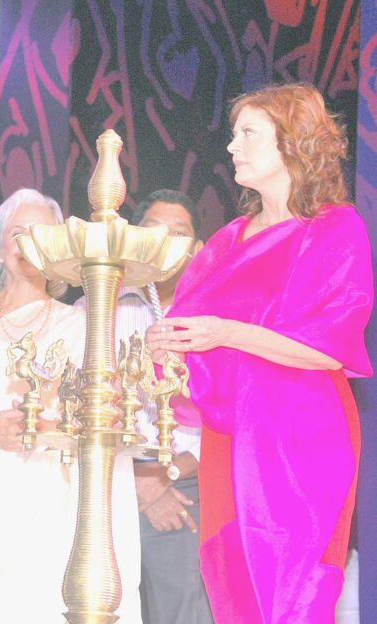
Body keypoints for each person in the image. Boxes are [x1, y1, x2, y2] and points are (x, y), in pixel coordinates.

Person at [146, 82, 373, 622]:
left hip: (305, 434)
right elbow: (194, 337)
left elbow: (328, 349)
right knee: (235, 594)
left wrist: (224, 331)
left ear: (292, 142)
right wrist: (169, 344)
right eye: (233, 134)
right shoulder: (228, 240)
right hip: (232, 438)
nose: (232, 146)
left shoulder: (336, 229)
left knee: (296, 597)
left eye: (248, 132)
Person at [0, 188, 142, 624]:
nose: (29, 243)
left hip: (48, 507)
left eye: (42, 234)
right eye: (18, 233)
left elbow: (99, 422)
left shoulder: (81, 327)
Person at [78, 190, 213, 623]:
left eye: (180, 234)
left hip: (185, 487)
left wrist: (161, 477)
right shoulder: (97, 310)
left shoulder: (217, 321)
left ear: (196, 248)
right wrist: (135, 481)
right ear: (135, 240)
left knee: (182, 613)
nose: (168, 242)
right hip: (101, 489)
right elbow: (76, 407)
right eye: (155, 232)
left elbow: (233, 415)